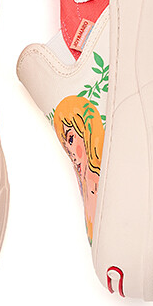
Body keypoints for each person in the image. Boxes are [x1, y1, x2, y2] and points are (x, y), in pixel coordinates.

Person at [53, 95, 104, 243]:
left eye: (71, 139)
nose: (71, 153)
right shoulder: (86, 186)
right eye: (66, 146)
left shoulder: (97, 182)